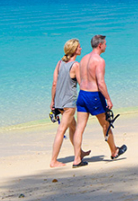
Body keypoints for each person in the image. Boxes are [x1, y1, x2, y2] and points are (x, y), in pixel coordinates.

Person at [71, 35, 127, 168]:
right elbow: (100, 83)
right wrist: (108, 98)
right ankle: (114, 151)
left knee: (80, 128)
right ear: (100, 45)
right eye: (105, 44)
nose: (106, 46)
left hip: (82, 95)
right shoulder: (99, 61)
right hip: (94, 96)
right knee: (106, 124)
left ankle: (76, 159)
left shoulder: (83, 59)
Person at [50, 38, 90, 167]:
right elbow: (81, 84)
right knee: (62, 130)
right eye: (79, 47)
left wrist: (52, 101)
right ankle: (53, 161)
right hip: (69, 103)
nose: (81, 48)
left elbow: (54, 83)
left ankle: (80, 152)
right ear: (74, 50)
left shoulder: (59, 63)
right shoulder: (76, 65)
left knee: (73, 126)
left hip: (59, 102)